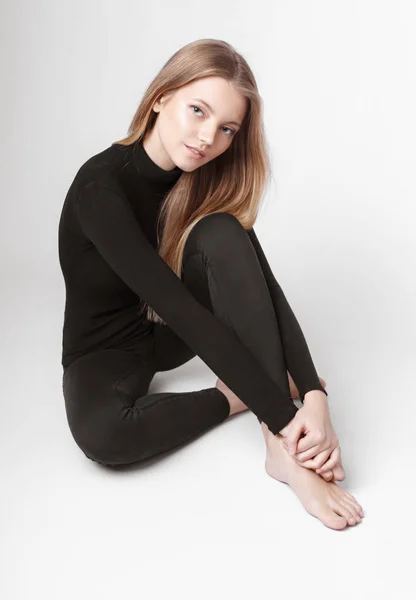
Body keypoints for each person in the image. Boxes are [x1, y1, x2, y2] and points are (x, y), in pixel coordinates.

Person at [58, 38, 364, 530]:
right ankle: (237, 397)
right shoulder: (100, 188)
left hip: (166, 338)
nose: (207, 139)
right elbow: (179, 308)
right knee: (103, 436)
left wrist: (312, 396)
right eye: (197, 111)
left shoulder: (201, 181)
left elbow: (267, 289)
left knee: (224, 232)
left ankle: (279, 455)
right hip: (103, 350)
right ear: (161, 97)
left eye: (226, 129)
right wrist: (289, 421)